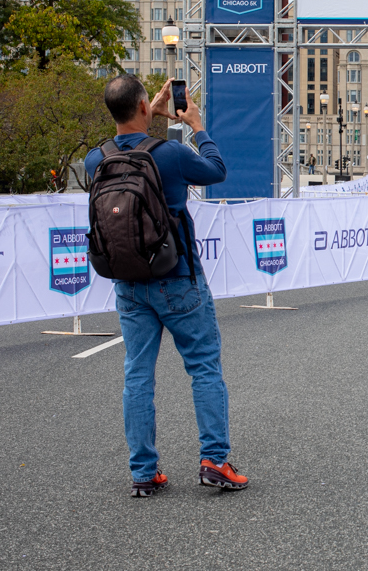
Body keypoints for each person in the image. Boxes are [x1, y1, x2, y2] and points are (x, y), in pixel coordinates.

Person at [85, 75, 248, 497]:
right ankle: (214, 460)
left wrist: (148, 118)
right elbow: (216, 170)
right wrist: (196, 125)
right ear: (145, 107)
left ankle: (144, 471)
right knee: (204, 368)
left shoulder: (94, 159)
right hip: (178, 279)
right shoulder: (172, 153)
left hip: (128, 284)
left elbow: (134, 152)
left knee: (137, 374)